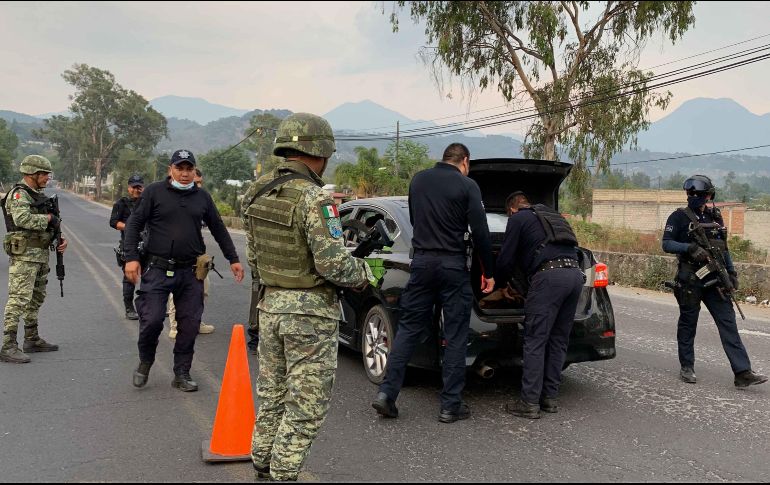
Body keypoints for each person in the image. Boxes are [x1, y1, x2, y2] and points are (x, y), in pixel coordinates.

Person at [242, 113, 372, 481]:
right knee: (306, 404)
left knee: (272, 394)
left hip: (269, 308)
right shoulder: (315, 199)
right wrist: (362, 274)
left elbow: (254, 258)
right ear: (321, 152)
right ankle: (283, 474)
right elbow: (332, 265)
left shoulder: (256, 191)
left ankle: (262, 461)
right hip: (310, 315)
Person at [371, 142, 496, 424]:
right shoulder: (468, 186)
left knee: (408, 329)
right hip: (452, 266)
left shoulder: (419, 180)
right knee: (454, 335)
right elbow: (480, 232)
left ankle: (387, 395)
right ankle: (450, 406)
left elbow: (415, 220)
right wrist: (489, 271)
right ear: (465, 160)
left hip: (423, 264)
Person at [123, 149, 244, 392]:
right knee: (153, 320)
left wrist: (233, 258)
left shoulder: (203, 198)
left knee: (189, 324)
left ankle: (181, 372)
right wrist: (131, 258)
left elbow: (219, 229)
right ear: (171, 170)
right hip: (157, 269)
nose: (185, 173)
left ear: (194, 171)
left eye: (189, 169)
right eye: (180, 168)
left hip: (190, 273)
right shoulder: (154, 192)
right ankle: (146, 361)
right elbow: (134, 224)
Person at [662, 174, 767, 388]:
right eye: (691, 194)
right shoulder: (679, 217)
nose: (695, 197)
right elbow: (667, 244)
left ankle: (742, 372)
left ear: (709, 195)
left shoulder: (715, 216)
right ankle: (687, 366)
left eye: (699, 194)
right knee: (688, 324)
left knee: (728, 324)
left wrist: (731, 273)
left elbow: (724, 248)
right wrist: (689, 248)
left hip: (716, 281)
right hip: (691, 279)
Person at [496, 191, 584, 419]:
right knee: (558, 340)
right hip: (574, 275)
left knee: (535, 340)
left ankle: (529, 402)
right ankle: (549, 398)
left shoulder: (518, 218)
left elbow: (506, 259)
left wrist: (499, 283)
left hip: (549, 278)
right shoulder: (552, 217)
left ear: (512, 209)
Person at [0, 155, 68, 363]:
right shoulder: (19, 194)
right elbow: (22, 219)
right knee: (19, 298)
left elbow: (49, 223)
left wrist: (59, 237)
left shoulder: (37, 195)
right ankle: (8, 345)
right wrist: (47, 218)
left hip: (40, 254)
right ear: (33, 173)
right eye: (45, 174)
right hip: (25, 256)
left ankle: (31, 338)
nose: (47, 178)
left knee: (36, 297)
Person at [167, 168, 215, 338]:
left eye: (200, 182)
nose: (198, 185)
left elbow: (216, 225)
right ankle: (175, 325)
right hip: (176, 257)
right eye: (197, 182)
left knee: (203, 288)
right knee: (177, 292)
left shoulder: (202, 200)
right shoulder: (175, 199)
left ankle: (196, 321)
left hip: (198, 257)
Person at [110, 173, 144, 320]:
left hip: (148, 245)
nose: (137, 190)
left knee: (152, 278)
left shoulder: (147, 202)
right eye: (134, 187)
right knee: (130, 278)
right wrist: (130, 228)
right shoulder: (121, 204)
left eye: (139, 187)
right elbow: (113, 222)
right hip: (129, 245)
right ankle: (129, 308)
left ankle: (150, 306)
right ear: (129, 188)